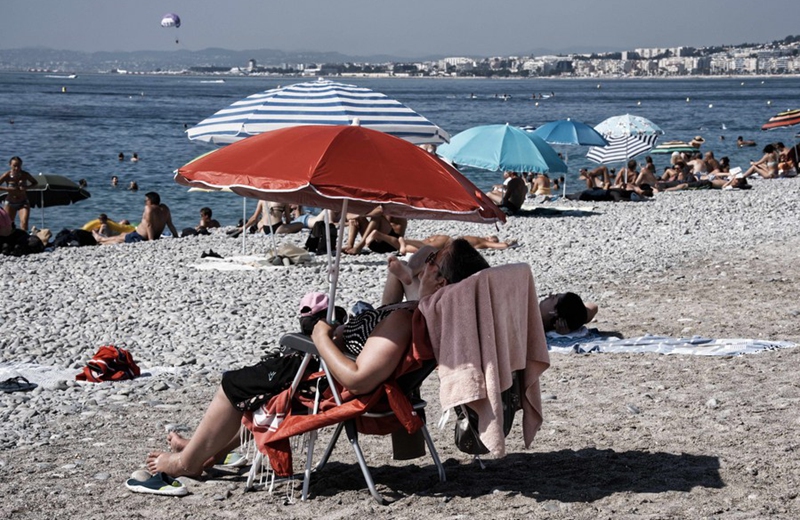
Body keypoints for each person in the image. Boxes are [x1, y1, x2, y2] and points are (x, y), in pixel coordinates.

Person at [142, 238, 490, 477]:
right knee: (256, 388)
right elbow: (399, 285)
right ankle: (208, 450)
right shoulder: (418, 313)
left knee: (233, 386)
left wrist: (321, 337)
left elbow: (358, 378)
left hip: (324, 382)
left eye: (432, 261)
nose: (425, 259)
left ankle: (186, 463)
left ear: (442, 280)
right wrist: (405, 271)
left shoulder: (404, 321)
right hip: (328, 369)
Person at [94, 192, 178, 244]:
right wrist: (176, 236)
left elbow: (149, 225)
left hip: (140, 237)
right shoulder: (165, 208)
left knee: (118, 239)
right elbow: (170, 224)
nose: (145, 202)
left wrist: (151, 240)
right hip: (146, 235)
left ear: (150, 201)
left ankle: (101, 239)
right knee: (123, 235)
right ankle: (102, 239)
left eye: (146, 200)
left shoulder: (149, 208)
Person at [0, 156, 38, 232]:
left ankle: (23, 241)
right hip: (10, 202)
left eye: (19, 166)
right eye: (14, 166)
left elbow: (35, 183)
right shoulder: (7, 175)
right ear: (10, 165)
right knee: (8, 225)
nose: (17, 168)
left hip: (23, 202)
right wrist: (7, 189)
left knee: (24, 223)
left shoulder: (25, 175)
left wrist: (27, 187)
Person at [398, 234, 517, 254]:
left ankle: (404, 246)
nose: (489, 237)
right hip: (447, 242)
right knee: (425, 247)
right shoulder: (482, 241)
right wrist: (510, 243)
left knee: (421, 248)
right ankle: (404, 241)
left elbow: (503, 246)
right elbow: (503, 245)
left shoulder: (484, 242)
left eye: (492, 238)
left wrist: (509, 243)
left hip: (444, 240)